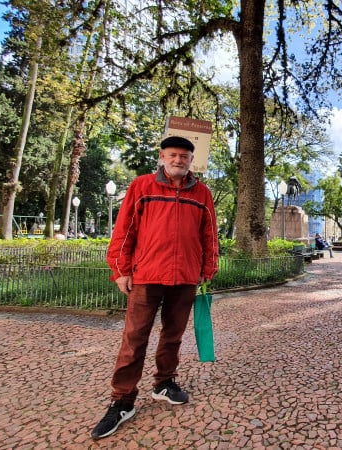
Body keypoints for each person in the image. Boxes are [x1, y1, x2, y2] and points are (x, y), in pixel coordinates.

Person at [91, 135, 219, 440]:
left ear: (191, 160)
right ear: (162, 156)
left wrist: (207, 270)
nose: (179, 160)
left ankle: (164, 383)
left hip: (186, 277)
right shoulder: (142, 187)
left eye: (184, 156)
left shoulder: (202, 193)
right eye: (173, 155)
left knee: (173, 336)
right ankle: (122, 400)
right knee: (134, 338)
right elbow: (124, 230)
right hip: (146, 276)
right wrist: (120, 269)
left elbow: (209, 235)